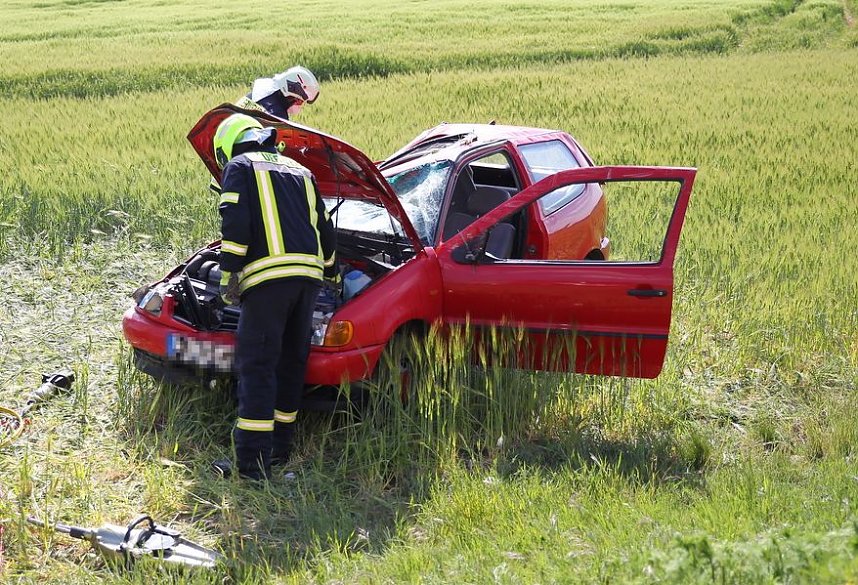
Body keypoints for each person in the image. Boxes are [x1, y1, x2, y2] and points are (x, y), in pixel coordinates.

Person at [210, 113, 336, 481]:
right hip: (308, 278)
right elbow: (323, 226)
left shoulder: (240, 166)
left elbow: (234, 223)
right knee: (290, 364)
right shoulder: (301, 171)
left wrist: (229, 271)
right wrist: (332, 270)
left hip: (268, 279)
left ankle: (251, 465)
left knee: (257, 365)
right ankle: (280, 450)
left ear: (229, 145)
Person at [210, 66, 321, 196]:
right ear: (290, 89)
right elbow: (279, 152)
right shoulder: (274, 111)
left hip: (226, 165)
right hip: (241, 173)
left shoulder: (263, 94)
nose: (299, 106)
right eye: (298, 101)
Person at [235, 65, 320, 121]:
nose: (300, 106)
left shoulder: (263, 92)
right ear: (291, 91)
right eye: (299, 101)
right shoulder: (276, 112)